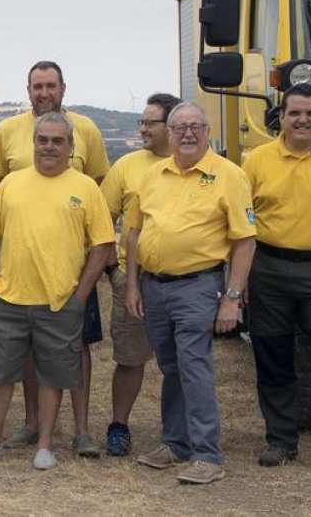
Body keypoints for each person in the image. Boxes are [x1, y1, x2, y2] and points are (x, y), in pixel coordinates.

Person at [0, 112, 114, 471]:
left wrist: (81, 295)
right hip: (9, 299)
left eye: (57, 141)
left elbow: (102, 245)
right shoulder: (11, 184)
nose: (49, 147)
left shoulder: (86, 187)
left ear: (71, 146)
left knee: (53, 375)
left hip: (60, 300)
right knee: (0, 375)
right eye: (42, 140)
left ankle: (46, 445)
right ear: (33, 143)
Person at [125, 102, 256, 485]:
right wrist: (133, 284)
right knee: (171, 367)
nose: (187, 133)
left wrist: (232, 297)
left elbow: (245, 242)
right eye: (179, 127)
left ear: (207, 130)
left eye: (195, 127)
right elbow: (133, 232)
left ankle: (207, 454)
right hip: (154, 286)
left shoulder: (228, 176)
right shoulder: (153, 175)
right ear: (168, 132)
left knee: (194, 365)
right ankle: (176, 443)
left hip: (198, 286)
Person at [242, 83, 311, 466]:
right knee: (272, 355)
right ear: (280, 117)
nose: (303, 120)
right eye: (294, 113)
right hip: (268, 272)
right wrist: (242, 280)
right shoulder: (257, 161)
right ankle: (281, 441)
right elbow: (239, 222)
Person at [98, 93, 180, 456]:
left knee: (182, 362)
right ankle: (119, 426)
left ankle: (180, 430)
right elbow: (100, 220)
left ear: (172, 125)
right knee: (130, 358)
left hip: (184, 280)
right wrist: (113, 270)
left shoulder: (192, 163)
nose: (143, 129)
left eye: (150, 123)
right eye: (141, 123)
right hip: (131, 279)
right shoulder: (127, 166)